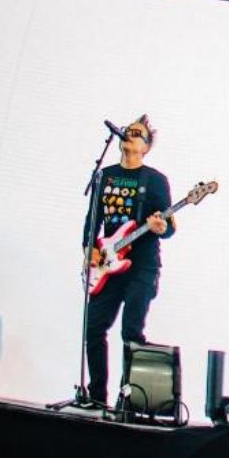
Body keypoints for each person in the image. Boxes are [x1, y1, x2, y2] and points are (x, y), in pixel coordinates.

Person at [82, 115, 176, 408]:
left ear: (146, 147)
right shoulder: (105, 176)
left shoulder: (156, 180)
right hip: (108, 265)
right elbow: (92, 219)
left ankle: (129, 400)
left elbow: (169, 225)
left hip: (142, 267)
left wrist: (163, 228)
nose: (130, 135)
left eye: (138, 133)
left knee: (130, 332)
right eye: (128, 131)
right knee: (93, 329)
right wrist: (89, 249)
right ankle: (97, 397)